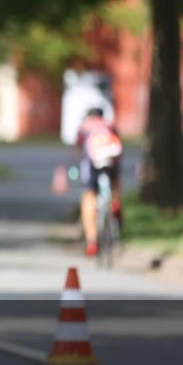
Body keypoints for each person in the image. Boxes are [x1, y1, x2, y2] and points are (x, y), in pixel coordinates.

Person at [76, 107, 123, 256]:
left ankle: (92, 241)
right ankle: (115, 202)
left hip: (93, 163)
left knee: (89, 196)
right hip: (111, 162)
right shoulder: (110, 125)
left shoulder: (84, 127)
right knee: (114, 182)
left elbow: (79, 151)